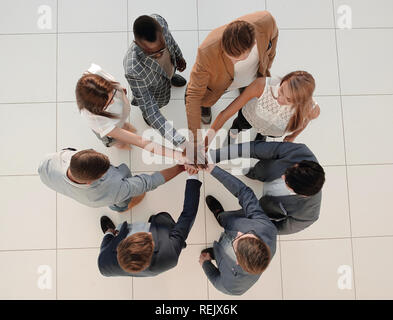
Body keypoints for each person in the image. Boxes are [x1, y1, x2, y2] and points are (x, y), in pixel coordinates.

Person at [185, 11, 278, 144]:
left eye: (236, 59)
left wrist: (268, 63)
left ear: (252, 45)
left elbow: (274, 38)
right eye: (228, 57)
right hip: (220, 84)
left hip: (251, 78)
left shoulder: (265, 20)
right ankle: (206, 105)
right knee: (203, 99)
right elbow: (193, 95)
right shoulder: (206, 51)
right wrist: (195, 142)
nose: (232, 63)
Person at [76, 63, 190, 164]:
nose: (114, 101)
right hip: (109, 129)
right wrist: (179, 155)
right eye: (109, 103)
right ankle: (121, 141)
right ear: (97, 107)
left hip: (118, 117)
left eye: (112, 93)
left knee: (123, 125)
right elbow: (140, 141)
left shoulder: (95, 75)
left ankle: (123, 126)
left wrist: (120, 90)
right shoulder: (96, 120)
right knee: (119, 143)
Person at [98, 171, 202, 277]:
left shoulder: (104, 263)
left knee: (112, 235)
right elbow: (188, 215)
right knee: (174, 234)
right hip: (165, 235)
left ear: (120, 246)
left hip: (119, 234)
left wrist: (109, 234)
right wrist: (193, 175)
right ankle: (178, 242)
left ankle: (175, 239)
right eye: (148, 237)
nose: (148, 234)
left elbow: (106, 246)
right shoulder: (169, 255)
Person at [208, 141, 326, 234]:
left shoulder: (308, 215)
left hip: (262, 209)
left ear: (302, 194)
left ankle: (221, 217)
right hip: (262, 172)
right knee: (256, 172)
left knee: (239, 218)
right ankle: (253, 173)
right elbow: (253, 148)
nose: (283, 175)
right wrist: (212, 156)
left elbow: (276, 228)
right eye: (290, 169)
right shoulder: (301, 152)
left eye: (287, 182)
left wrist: (256, 225)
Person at [199, 164, 277, 296]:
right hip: (234, 221)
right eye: (249, 236)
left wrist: (206, 264)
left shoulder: (233, 287)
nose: (239, 232)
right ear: (262, 245)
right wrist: (213, 170)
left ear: (237, 260)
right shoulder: (266, 229)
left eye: (238, 239)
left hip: (224, 256)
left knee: (226, 235)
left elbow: (217, 282)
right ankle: (220, 216)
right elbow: (244, 193)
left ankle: (216, 253)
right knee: (227, 220)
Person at [38, 148, 186, 212]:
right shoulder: (114, 190)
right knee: (121, 203)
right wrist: (181, 167)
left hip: (76, 192)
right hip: (108, 197)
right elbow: (150, 182)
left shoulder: (48, 163)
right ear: (90, 181)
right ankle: (122, 208)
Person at [204, 71, 321, 147]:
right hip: (250, 117)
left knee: (263, 135)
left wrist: (293, 136)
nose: (280, 99)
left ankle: (261, 136)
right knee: (239, 126)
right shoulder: (262, 85)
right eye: (281, 90)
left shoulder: (311, 109)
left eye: (289, 100)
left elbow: (306, 121)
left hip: (274, 131)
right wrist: (205, 143)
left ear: (301, 101)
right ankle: (232, 135)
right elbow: (225, 114)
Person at [123, 14, 188, 149]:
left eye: (162, 48)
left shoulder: (159, 21)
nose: (160, 54)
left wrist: (178, 56)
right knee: (155, 108)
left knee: (169, 73)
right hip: (155, 90)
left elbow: (172, 42)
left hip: (169, 67)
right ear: (137, 44)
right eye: (154, 54)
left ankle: (170, 78)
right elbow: (150, 109)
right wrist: (181, 142)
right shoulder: (133, 68)